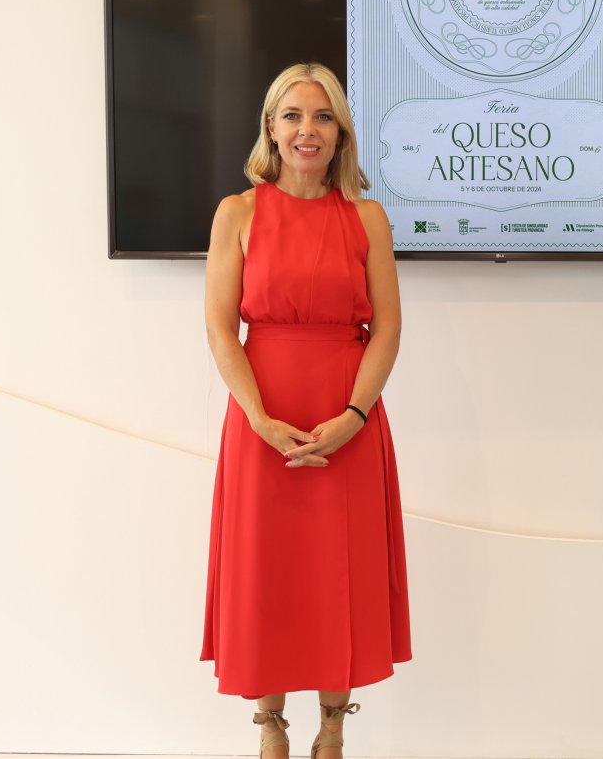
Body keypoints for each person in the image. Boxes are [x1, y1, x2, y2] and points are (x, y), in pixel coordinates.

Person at [200, 62, 410, 759]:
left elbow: (387, 329)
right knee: (268, 571)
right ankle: (269, 727)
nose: (307, 130)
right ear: (270, 127)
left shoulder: (367, 218)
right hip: (263, 421)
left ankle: (334, 726)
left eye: (322, 117)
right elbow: (220, 329)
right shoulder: (238, 213)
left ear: (341, 132)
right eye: (292, 115)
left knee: (335, 572)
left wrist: (353, 416)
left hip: (347, 417)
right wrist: (258, 419)